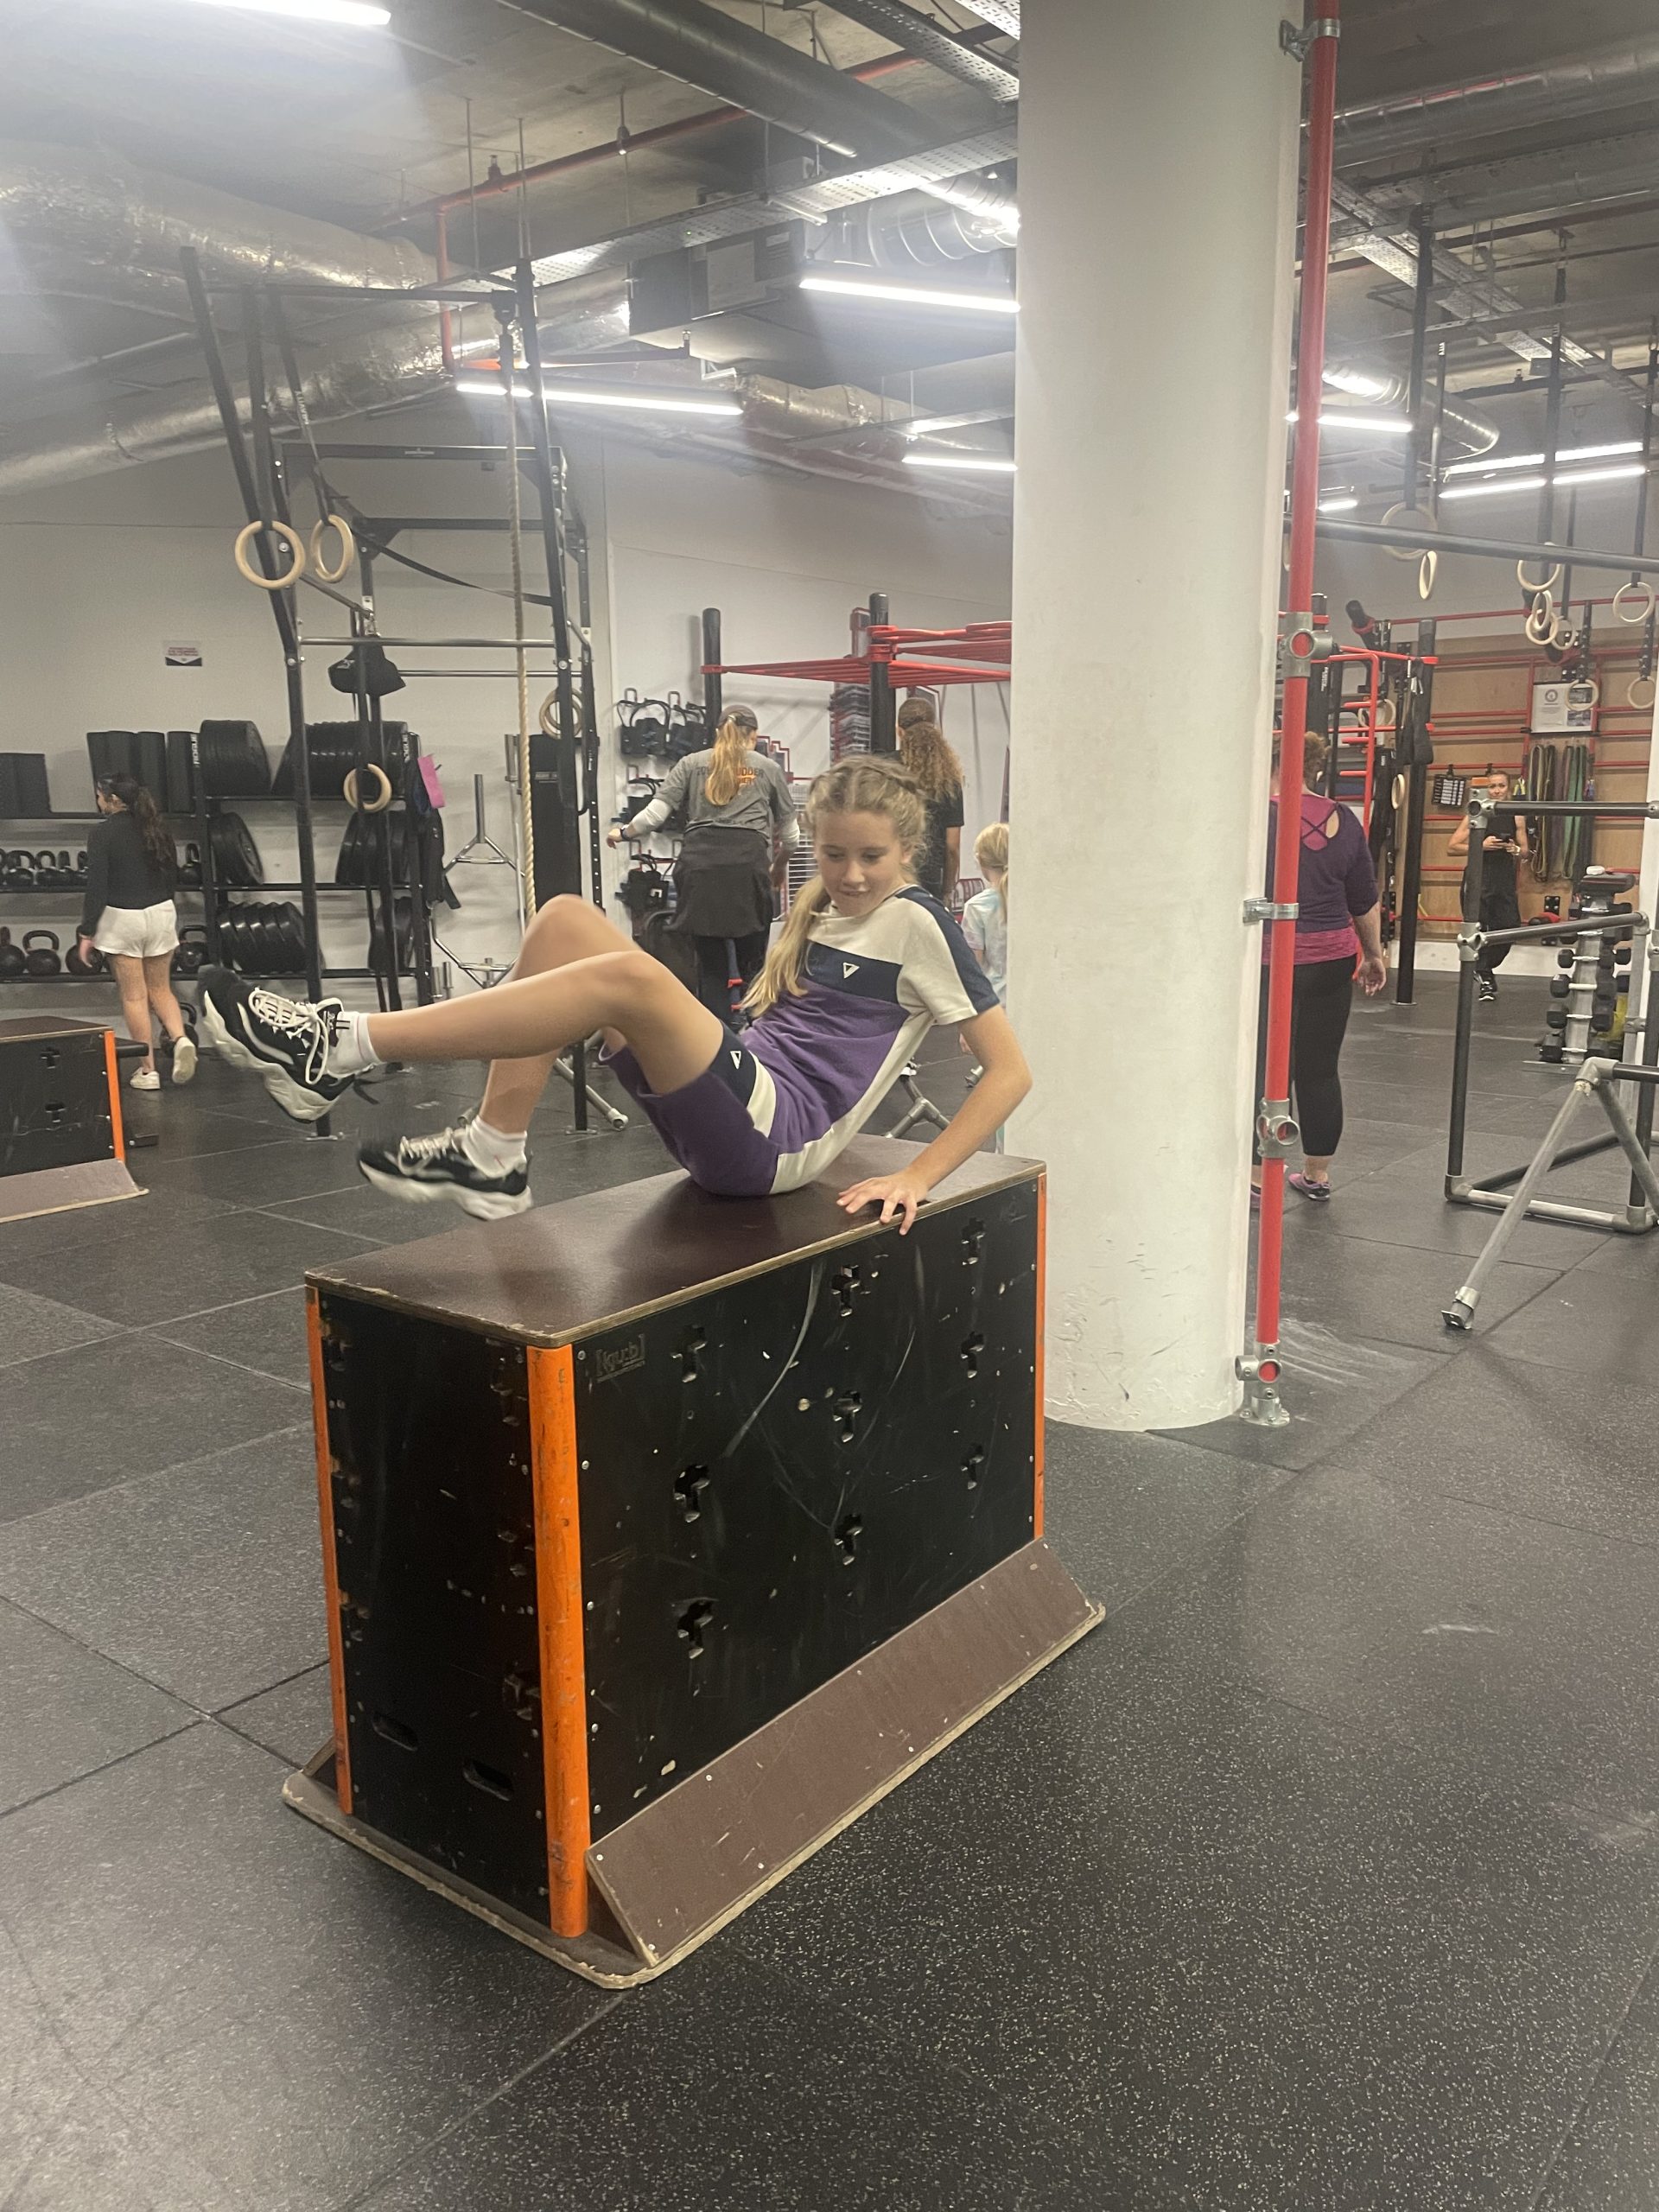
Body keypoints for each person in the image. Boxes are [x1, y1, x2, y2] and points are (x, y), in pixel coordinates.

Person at [199, 757, 1030, 1236]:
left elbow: (1008, 1074)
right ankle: (493, 1155)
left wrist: (919, 1175)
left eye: (872, 859)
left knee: (629, 979)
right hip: (740, 1092)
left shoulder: (919, 922)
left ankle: (339, 1044)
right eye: (836, 853)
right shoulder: (813, 912)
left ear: (908, 853)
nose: (850, 875)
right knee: (565, 918)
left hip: (774, 1142)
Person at [1252, 733, 1386, 1203]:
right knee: (1320, 1069)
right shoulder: (1344, 819)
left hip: (1269, 961)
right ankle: (1317, 1174)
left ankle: (1253, 1179)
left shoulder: (1251, 819)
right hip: (1332, 958)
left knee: (1261, 1069)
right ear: (1311, 767)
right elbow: (1363, 899)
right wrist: (1373, 954)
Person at [608, 705, 797, 1020]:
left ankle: (717, 1043)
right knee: (754, 964)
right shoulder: (766, 768)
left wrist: (623, 833)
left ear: (717, 733)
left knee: (711, 968)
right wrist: (779, 865)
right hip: (748, 869)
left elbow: (655, 815)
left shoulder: (690, 763)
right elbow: (791, 835)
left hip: (700, 871)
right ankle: (758, 1037)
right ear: (754, 736)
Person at [76, 772, 195, 1091]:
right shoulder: (157, 828)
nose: (98, 801)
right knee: (162, 989)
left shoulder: (101, 834)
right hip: (161, 912)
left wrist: (87, 933)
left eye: (99, 796)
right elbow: (172, 877)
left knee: (134, 996)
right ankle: (180, 1038)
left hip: (122, 918)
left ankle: (148, 1071)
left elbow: (97, 887)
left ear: (112, 799)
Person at [1447, 768, 1529, 1003]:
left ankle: (1482, 968)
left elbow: (1525, 852)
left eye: (1501, 786)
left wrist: (1516, 850)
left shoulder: (1516, 815)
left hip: (1503, 879)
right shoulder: (1476, 812)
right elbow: (1452, 847)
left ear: (1509, 789)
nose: (1496, 790)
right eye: (1492, 786)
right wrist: (1480, 845)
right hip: (1477, 879)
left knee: (1509, 927)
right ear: (1486, 789)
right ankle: (1485, 977)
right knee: (1478, 930)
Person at [896, 697, 964, 906]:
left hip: (891, 873)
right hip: (929, 879)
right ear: (935, 729)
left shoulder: (884, 769)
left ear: (899, 731)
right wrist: (948, 889)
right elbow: (952, 846)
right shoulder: (948, 779)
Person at [960, 823, 1007, 1005]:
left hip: (995, 1003)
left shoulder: (976, 907)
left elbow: (973, 969)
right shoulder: (1029, 902)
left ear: (980, 861)